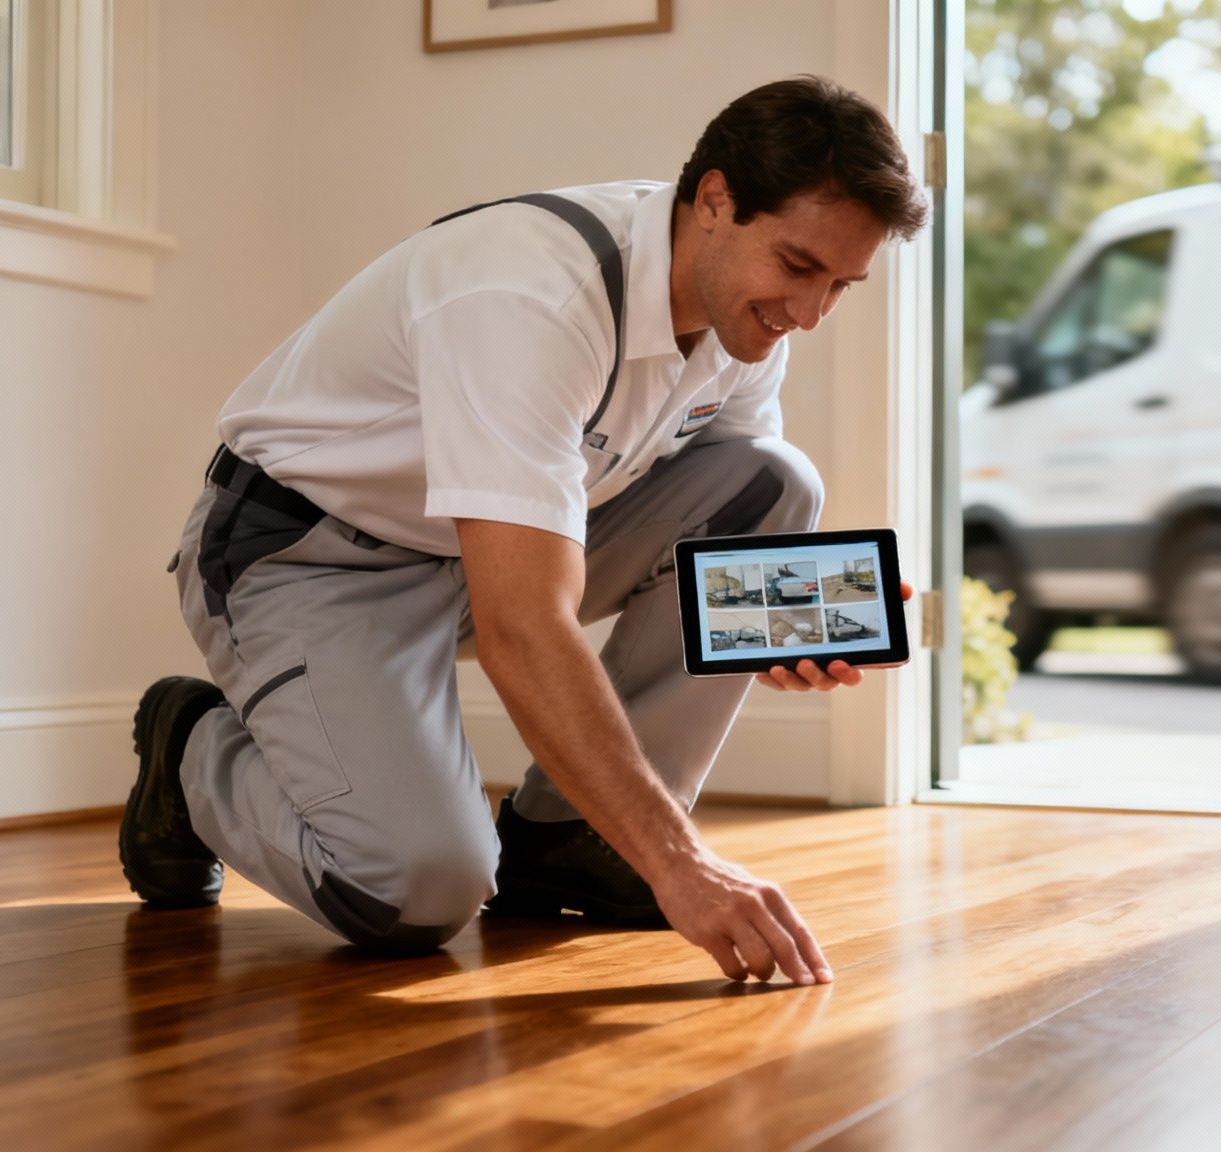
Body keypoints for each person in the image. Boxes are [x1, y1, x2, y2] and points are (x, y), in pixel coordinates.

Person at [119, 75, 928, 986]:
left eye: (841, 285)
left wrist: (777, 626)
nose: (809, 314)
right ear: (715, 200)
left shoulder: (742, 324)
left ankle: (573, 839)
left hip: (481, 558)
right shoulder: (531, 296)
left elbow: (728, 520)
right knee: (412, 893)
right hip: (309, 556)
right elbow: (523, 625)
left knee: (771, 484)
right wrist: (682, 864)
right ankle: (190, 747)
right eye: (798, 267)